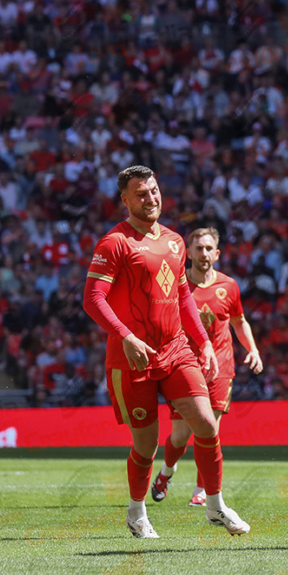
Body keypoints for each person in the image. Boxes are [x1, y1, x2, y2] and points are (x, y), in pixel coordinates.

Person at [84, 165, 249, 539]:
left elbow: (182, 296)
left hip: (176, 350)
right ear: (125, 200)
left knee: (206, 424)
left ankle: (215, 505)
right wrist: (126, 336)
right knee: (146, 446)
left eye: (154, 191)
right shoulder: (114, 242)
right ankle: (137, 512)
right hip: (132, 358)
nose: (150, 198)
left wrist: (203, 341)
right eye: (141, 194)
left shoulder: (175, 241)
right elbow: (93, 298)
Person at [151, 227, 263, 507]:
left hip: (220, 367)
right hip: (184, 367)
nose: (204, 253)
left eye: (209, 248)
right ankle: (167, 471)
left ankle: (201, 490)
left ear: (217, 253)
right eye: (199, 248)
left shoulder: (229, 286)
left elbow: (239, 321)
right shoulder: (175, 287)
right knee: (181, 435)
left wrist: (253, 350)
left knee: (210, 429)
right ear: (188, 253)